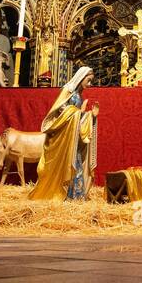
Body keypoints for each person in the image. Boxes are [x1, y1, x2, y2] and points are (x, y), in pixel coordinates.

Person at [28, 66, 99, 201]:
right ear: (81, 78)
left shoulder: (79, 94)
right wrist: (79, 112)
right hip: (64, 136)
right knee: (68, 164)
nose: (89, 84)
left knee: (76, 163)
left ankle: (75, 196)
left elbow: (77, 116)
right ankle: (65, 194)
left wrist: (91, 116)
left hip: (73, 135)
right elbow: (60, 111)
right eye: (88, 80)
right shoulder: (68, 91)